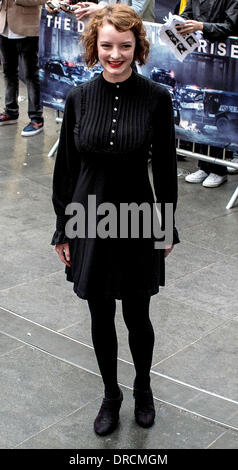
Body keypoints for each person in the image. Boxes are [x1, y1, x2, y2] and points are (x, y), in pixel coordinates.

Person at [51, 4, 179, 436]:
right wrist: (62, 226)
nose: (115, 54)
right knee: (100, 314)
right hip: (88, 216)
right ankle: (111, 394)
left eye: (124, 46)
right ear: (94, 46)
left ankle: (143, 387)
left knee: (138, 314)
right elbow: (66, 168)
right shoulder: (78, 97)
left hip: (137, 217)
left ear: (138, 47)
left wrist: (167, 223)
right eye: (107, 45)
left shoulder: (158, 99)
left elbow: (163, 167)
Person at [175, 0, 238, 187]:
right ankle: (204, 166)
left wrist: (202, 26)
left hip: (223, 63)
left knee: (216, 117)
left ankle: (219, 169)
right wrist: (179, 23)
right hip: (199, 58)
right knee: (201, 113)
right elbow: (187, 14)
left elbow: (231, 26)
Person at [0, 0, 45, 136]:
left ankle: (36, 118)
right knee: (8, 72)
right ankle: (11, 110)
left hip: (28, 28)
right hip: (4, 27)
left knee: (31, 75)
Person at [72, 0, 155, 23]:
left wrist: (102, 10)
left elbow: (136, 11)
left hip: (139, 33)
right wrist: (94, 8)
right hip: (114, 29)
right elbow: (105, 2)